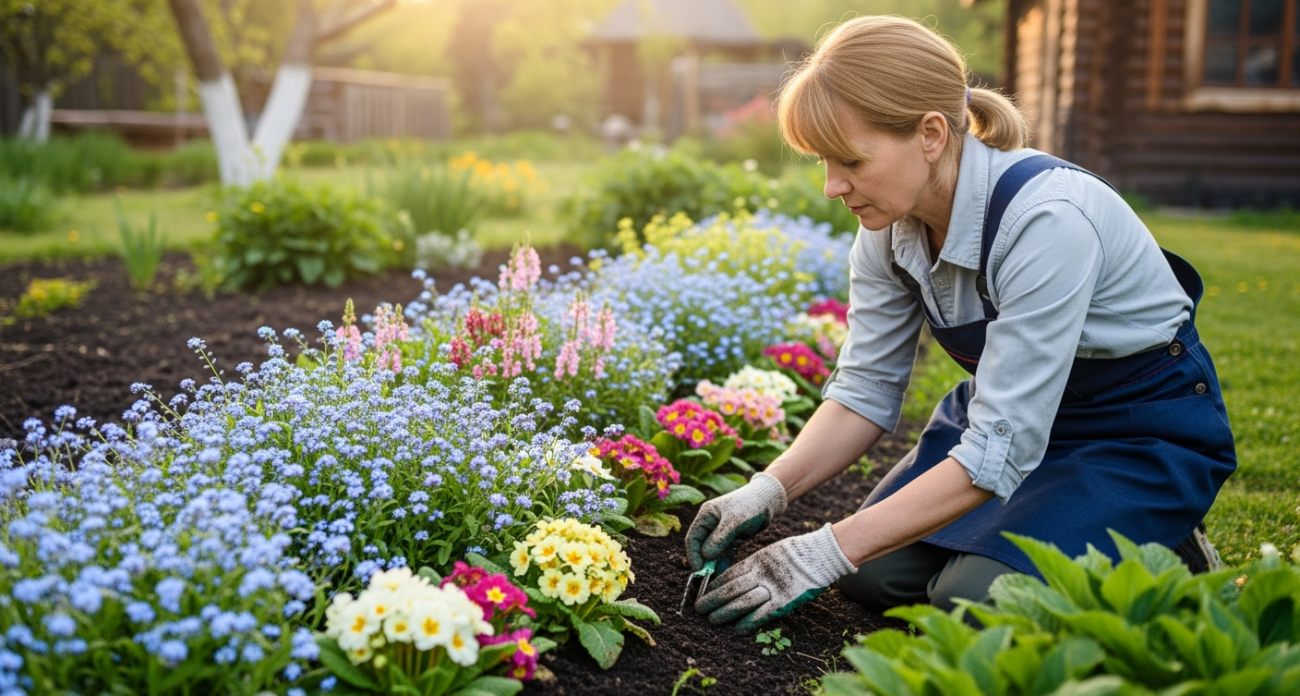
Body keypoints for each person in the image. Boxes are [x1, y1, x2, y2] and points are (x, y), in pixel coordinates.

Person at [685, 15, 1236, 631]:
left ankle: (1170, 550)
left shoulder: (1046, 221)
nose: (831, 187)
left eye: (850, 161)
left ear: (930, 133)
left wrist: (821, 550)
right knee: (873, 575)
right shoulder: (889, 229)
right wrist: (767, 489)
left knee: (975, 602)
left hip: (1133, 432)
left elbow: (998, 448)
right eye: (822, 163)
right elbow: (864, 392)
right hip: (1015, 420)